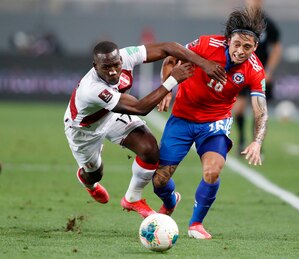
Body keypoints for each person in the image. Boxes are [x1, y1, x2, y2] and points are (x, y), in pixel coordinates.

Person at [63, 41, 226, 219]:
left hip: (111, 115)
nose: (112, 71)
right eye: (106, 67)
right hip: (84, 130)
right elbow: (141, 108)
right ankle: (89, 184)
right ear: (95, 66)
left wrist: (203, 63)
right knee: (94, 174)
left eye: (116, 65)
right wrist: (172, 80)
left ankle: (132, 198)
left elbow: (168, 47)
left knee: (149, 149)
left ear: (120, 60)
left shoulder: (127, 56)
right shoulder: (92, 89)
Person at [153, 7, 268, 239]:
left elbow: (260, 111)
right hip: (183, 118)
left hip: (215, 123)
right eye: (237, 44)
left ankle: (196, 224)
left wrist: (257, 142)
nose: (240, 51)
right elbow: (171, 57)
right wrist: (166, 89)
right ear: (228, 41)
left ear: (255, 47)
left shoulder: (255, 70)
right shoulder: (206, 45)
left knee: (212, 171)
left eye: (247, 47)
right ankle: (171, 199)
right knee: (159, 180)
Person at [233, 0, 282, 153]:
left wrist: (269, 71)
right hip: (241, 71)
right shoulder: (238, 21)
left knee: (259, 111)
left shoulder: (268, 24)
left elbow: (276, 48)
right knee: (239, 109)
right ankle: (241, 140)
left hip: (259, 74)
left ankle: (257, 145)